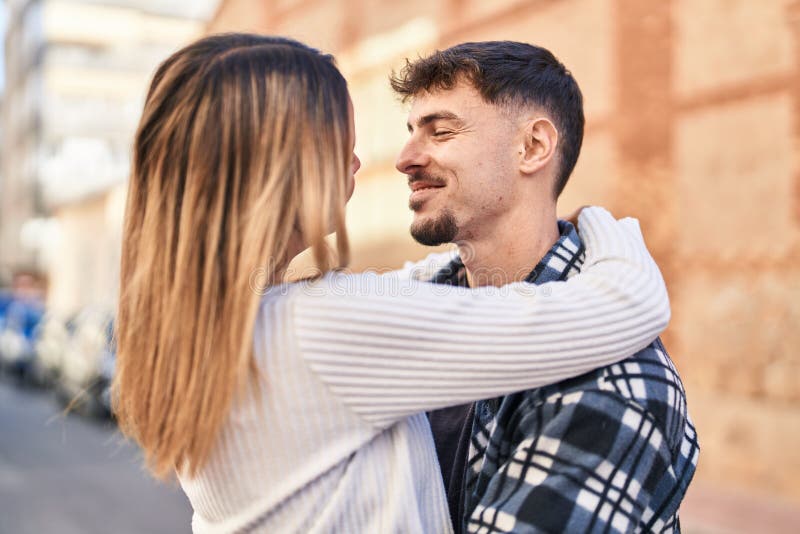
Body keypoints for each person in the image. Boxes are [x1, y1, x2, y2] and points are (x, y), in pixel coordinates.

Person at [113, 34, 671, 533]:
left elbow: (410, 291)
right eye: (337, 139)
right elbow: (625, 301)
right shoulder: (322, 324)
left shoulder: (213, 334)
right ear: (279, 164)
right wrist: (605, 222)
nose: (385, 160)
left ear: (532, 147)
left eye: (442, 130)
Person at [391, 41, 699, 533]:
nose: (405, 158)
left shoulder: (612, 382)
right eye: (410, 133)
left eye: (441, 131)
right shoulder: (404, 317)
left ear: (533, 147)